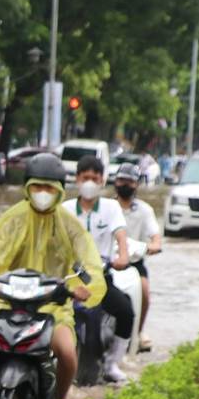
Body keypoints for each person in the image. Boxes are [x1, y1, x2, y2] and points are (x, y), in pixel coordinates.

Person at [0, 152, 106, 399]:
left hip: (52, 305)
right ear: (28, 188)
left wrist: (85, 287)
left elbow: (89, 262)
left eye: (49, 187)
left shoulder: (70, 224)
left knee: (66, 353)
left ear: (59, 191)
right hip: (7, 303)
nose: (43, 192)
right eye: (37, 186)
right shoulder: (12, 218)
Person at [63, 156, 133, 383]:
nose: (90, 182)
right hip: (71, 279)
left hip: (100, 277)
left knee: (125, 310)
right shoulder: (64, 210)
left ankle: (112, 363)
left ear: (102, 180)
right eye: (85, 178)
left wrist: (122, 256)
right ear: (77, 179)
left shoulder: (111, 208)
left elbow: (120, 235)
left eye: (95, 178)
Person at [114, 163, 162, 351]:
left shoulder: (144, 210)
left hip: (134, 264)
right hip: (108, 262)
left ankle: (139, 332)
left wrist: (154, 246)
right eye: (121, 180)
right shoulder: (107, 208)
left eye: (130, 181)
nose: (125, 185)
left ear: (137, 184)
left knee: (144, 291)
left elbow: (156, 237)